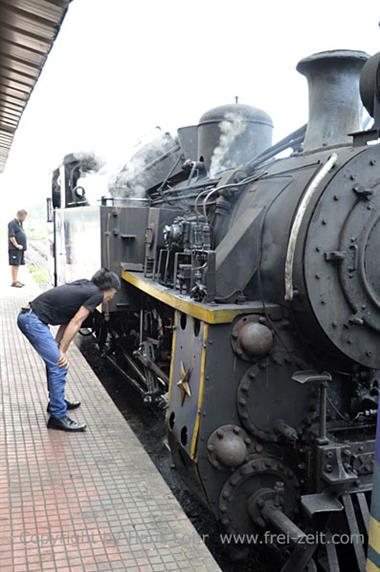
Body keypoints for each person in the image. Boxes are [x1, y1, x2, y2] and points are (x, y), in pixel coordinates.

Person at [17, 269, 121, 432]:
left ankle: (56, 403)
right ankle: (58, 417)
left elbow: (68, 319)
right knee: (59, 364)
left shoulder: (85, 286)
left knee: (55, 361)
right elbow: (77, 321)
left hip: (30, 316)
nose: (111, 298)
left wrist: (59, 345)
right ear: (107, 288)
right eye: (113, 293)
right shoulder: (96, 294)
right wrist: (63, 351)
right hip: (32, 320)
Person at [8, 209, 28, 287]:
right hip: (14, 249)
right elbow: (11, 236)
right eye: (24, 217)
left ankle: (15, 280)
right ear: (20, 215)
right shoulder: (12, 223)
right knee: (15, 264)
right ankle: (14, 282)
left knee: (17, 264)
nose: (25, 219)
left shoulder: (19, 223)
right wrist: (17, 245)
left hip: (19, 249)